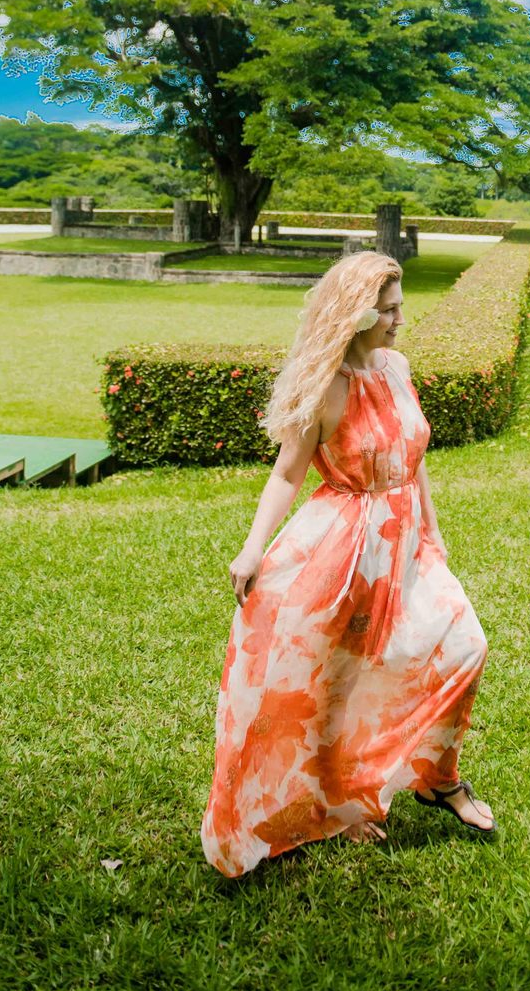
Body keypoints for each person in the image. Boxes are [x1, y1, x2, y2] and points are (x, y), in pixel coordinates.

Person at [200, 249, 493, 877]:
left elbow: (414, 459)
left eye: (399, 306)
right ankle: (341, 803)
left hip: (407, 539)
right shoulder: (325, 386)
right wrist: (253, 546)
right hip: (345, 546)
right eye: (387, 310)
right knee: (334, 684)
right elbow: (287, 473)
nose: (398, 319)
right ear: (355, 314)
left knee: (464, 644)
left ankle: (438, 777)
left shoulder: (397, 366)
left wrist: (434, 534)